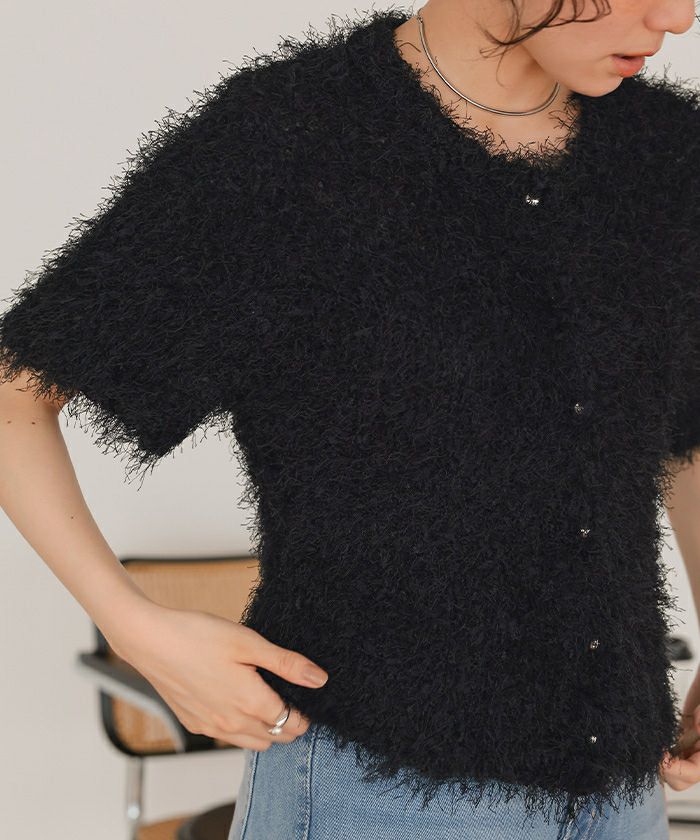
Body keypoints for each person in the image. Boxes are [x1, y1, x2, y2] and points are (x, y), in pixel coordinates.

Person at [0, 1, 698, 839]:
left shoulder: (666, 152)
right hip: (377, 792)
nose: (678, 16)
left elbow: (683, 421)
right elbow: (14, 392)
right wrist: (137, 631)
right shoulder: (289, 142)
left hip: (624, 791)